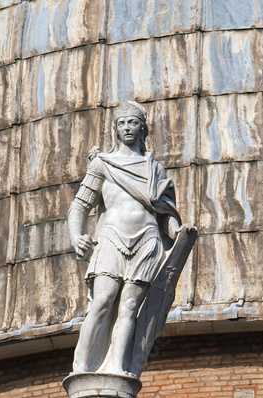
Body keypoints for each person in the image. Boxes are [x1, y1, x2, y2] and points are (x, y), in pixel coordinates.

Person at [69, 100, 181, 375]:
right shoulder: (103, 165)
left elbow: (166, 214)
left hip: (147, 240)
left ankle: (118, 367)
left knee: (129, 306)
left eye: (132, 123)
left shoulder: (154, 169)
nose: (127, 128)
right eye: (122, 123)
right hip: (112, 237)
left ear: (143, 128)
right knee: (103, 300)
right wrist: (76, 236)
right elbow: (80, 205)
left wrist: (178, 232)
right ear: (115, 129)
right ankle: (81, 367)